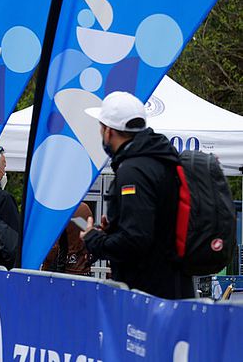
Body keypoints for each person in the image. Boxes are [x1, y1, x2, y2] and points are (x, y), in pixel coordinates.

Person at [80, 92, 190, 299]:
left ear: (108, 131)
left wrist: (94, 239)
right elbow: (154, 226)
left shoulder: (134, 171)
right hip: (170, 286)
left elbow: (136, 240)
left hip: (148, 295)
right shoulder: (162, 160)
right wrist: (114, 230)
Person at [43, 203, 93, 276]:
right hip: (83, 268)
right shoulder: (85, 208)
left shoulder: (62, 210)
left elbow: (54, 247)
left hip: (64, 269)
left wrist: (45, 267)